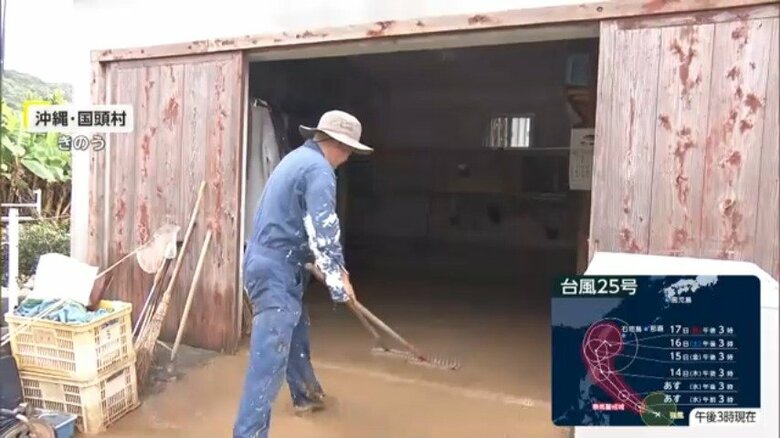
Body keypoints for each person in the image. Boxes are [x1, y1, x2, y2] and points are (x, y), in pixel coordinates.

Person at [234, 110, 374, 438]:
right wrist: (338, 278)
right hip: (274, 270)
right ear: (339, 145)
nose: (349, 157)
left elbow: (294, 220)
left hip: (276, 262)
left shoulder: (297, 159)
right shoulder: (319, 170)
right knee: (268, 363)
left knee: (297, 328)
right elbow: (324, 228)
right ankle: (248, 434)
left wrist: (321, 265)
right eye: (350, 150)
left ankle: (305, 395)